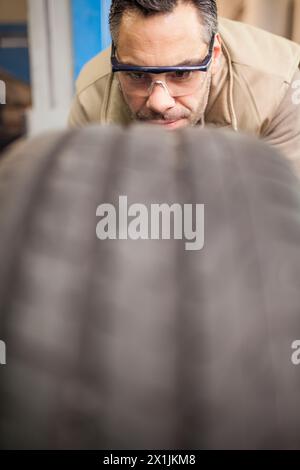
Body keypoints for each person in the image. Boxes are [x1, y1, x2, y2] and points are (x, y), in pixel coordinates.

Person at [68, 0, 300, 174]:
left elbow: (282, 221)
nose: (159, 103)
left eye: (181, 73)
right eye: (136, 74)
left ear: (215, 55)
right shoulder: (93, 98)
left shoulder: (277, 87)